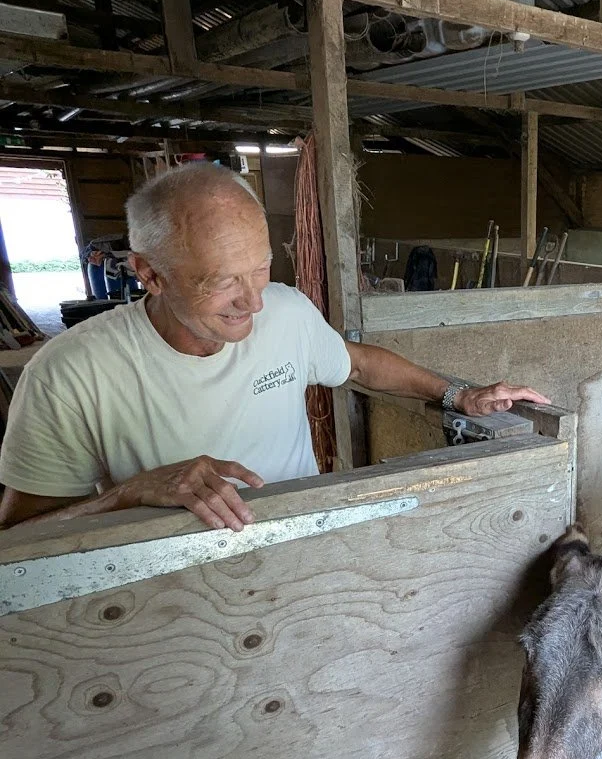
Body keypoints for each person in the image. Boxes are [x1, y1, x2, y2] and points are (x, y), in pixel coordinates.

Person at [0, 163, 549, 533]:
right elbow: (21, 536)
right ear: (150, 274)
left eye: (261, 269)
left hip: (300, 546)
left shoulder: (285, 311)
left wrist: (458, 394)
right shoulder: (69, 373)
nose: (253, 303)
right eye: (222, 281)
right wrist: (128, 493)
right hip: (167, 589)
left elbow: (358, 363)